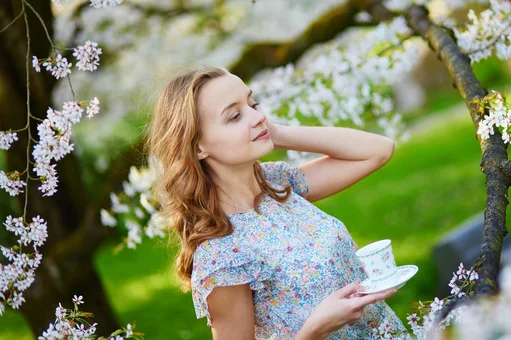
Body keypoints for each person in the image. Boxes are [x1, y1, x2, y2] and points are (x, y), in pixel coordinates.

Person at [146, 66, 409, 339]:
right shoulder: (222, 255)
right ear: (199, 146)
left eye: (253, 104)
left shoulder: (276, 184)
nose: (257, 117)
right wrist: (315, 329)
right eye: (235, 116)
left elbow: (378, 150)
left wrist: (275, 132)